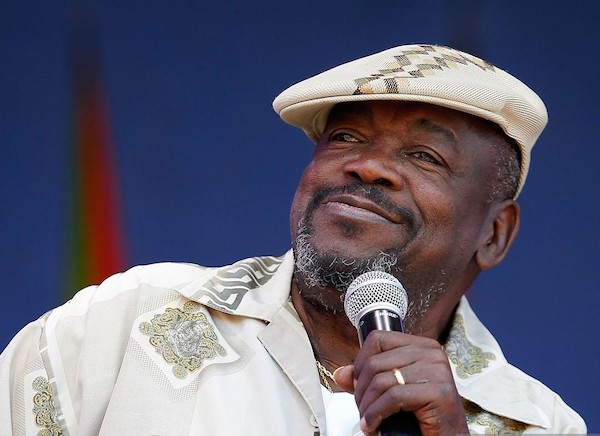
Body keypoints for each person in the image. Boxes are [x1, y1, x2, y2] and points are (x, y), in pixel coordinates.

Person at [0, 44, 586, 435]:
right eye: (346, 137)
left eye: (425, 156)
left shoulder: (538, 425)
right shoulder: (125, 323)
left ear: (494, 233)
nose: (368, 166)